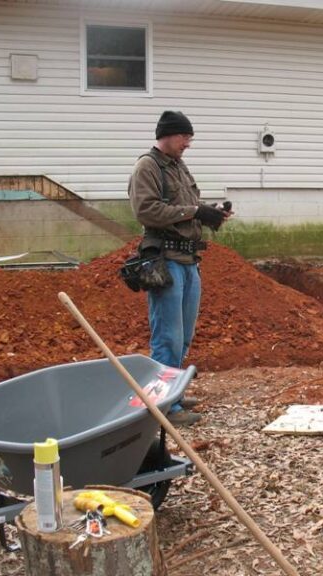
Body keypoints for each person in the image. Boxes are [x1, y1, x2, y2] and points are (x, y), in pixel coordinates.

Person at [128, 111, 229, 425]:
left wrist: (210, 213)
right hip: (167, 260)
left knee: (183, 336)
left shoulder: (178, 166)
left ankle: (173, 393)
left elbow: (184, 208)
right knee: (167, 338)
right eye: (185, 137)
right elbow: (146, 210)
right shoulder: (149, 166)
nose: (188, 143)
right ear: (168, 135)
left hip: (189, 261)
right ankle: (162, 408)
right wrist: (196, 211)